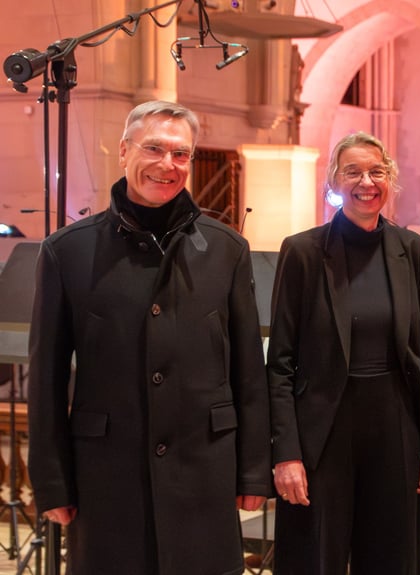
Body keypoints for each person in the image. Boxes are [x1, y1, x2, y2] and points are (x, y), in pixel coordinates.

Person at [27, 100, 271, 574]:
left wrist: (253, 470)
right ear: (124, 151)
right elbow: (46, 381)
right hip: (106, 476)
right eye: (154, 149)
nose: (168, 165)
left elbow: (248, 372)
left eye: (181, 155)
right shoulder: (67, 252)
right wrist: (52, 483)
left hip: (204, 471)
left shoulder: (227, 250)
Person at [267, 132, 420, 575]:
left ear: (390, 179)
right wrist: (286, 452)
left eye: (377, 171)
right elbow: (281, 361)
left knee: (391, 558)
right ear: (334, 181)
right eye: (353, 172)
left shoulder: (411, 249)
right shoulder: (303, 252)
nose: (367, 181)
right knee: (317, 557)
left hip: (394, 426)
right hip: (321, 433)